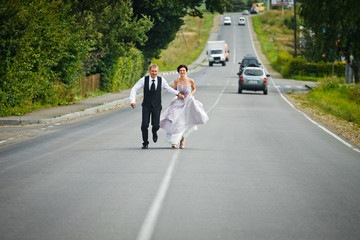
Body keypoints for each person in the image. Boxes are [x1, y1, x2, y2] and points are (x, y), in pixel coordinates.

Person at [130, 64, 184, 149]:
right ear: (149, 71)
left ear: (158, 72)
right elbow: (134, 89)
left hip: (157, 106)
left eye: (155, 71)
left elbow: (167, 88)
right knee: (144, 125)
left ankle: (154, 132)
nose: (154, 73)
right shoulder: (144, 80)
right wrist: (133, 101)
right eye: (152, 71)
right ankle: (145, 142)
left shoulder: (161, 80)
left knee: (156, 125)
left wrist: (177, 93)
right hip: (146, 106)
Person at [160, 64, 209, 149]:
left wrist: (190, 94)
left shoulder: (190, 80)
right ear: (178, 72)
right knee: (175, 120)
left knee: (184, 121)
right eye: (180, 71)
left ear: (186, 71)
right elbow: (174, 90)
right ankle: (174, 141)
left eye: (183, 70)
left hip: (188, 102)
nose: (182, 72)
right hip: (178, 102)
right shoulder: (176, 81)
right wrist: (178, 94)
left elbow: (194, 88)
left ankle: (182, 140)